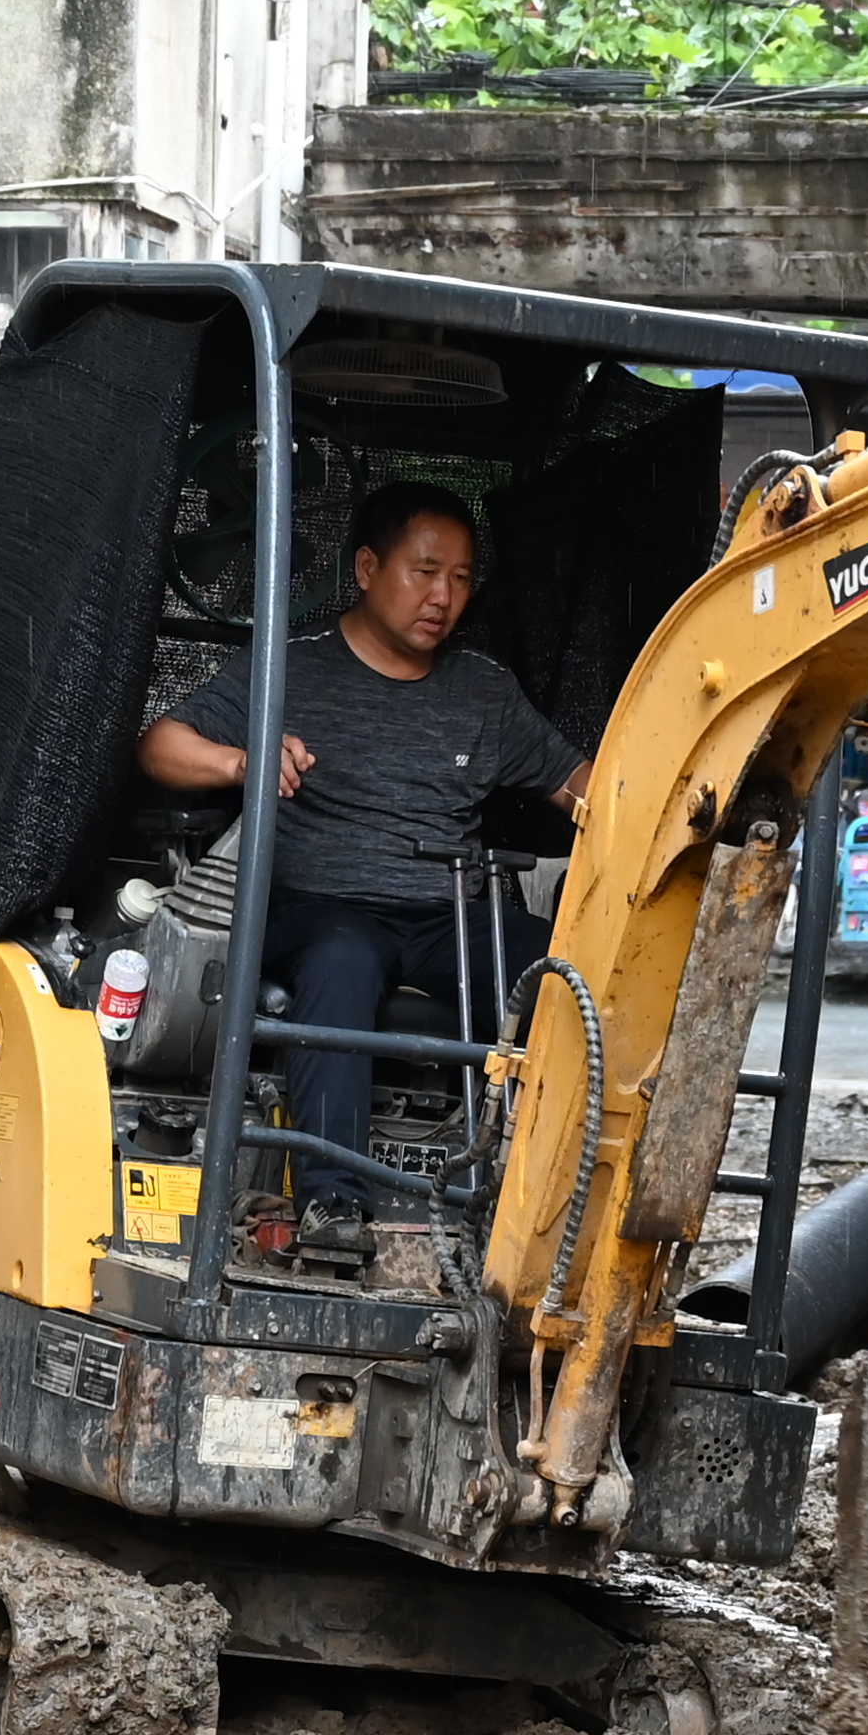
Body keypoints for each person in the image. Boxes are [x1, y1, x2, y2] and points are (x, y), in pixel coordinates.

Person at [136, 478, 589, 1276]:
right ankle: (332, 1201)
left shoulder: (484, 692)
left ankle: (549, 1204)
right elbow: (160, 746)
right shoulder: (290, 668)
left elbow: (578, 782)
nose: (443, 596)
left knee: (561, 970)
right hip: (317, 911)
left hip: (443, 915)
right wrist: (241, 762)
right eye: (424, 572)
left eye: (459, 577)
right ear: (368, 568)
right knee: (344, 956)